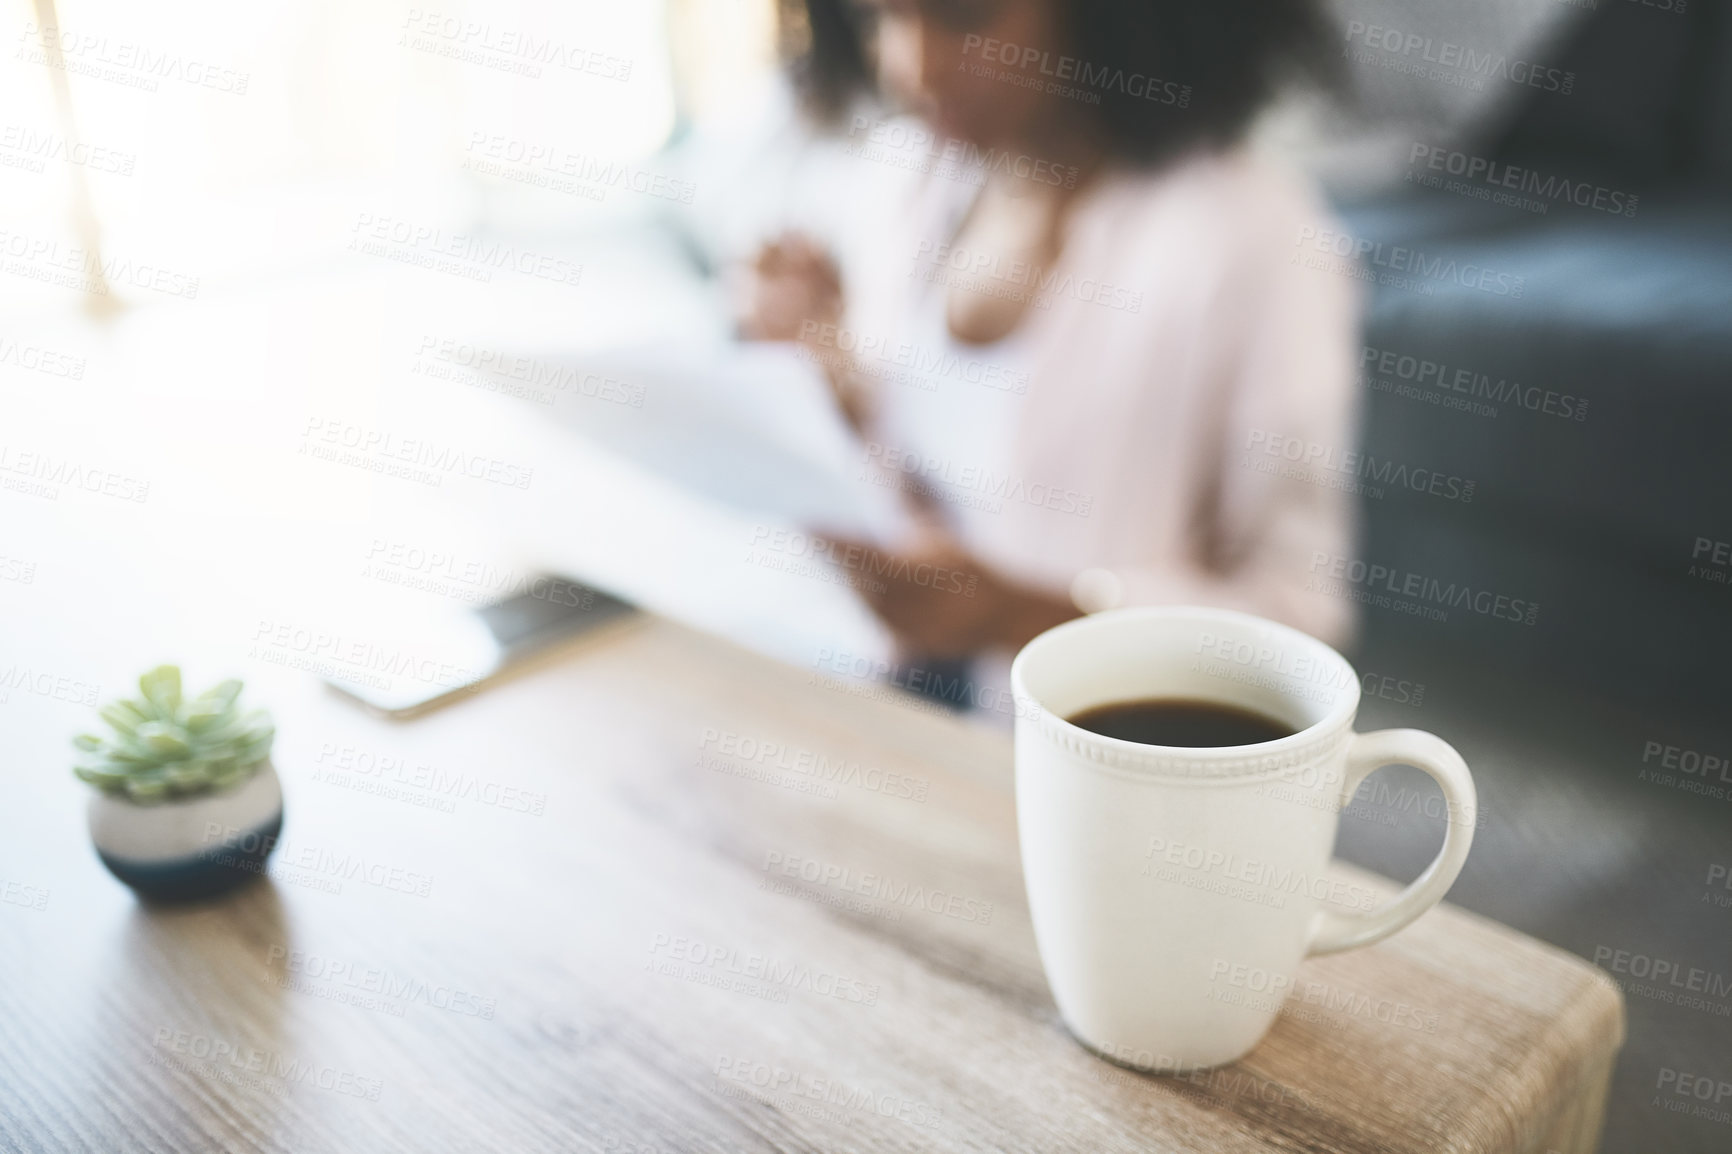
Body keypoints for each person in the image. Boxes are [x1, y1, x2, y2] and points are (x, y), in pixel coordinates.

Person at [739, 0, 1359, 700]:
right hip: (897, 717)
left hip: (1099, 769)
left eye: (964, 18)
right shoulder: (907, 181)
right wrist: (817, 369)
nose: (911, 68)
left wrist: (1020, 616)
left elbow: (1296, 621)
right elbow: (908, 491)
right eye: (878, 15)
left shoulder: (1259, 241)